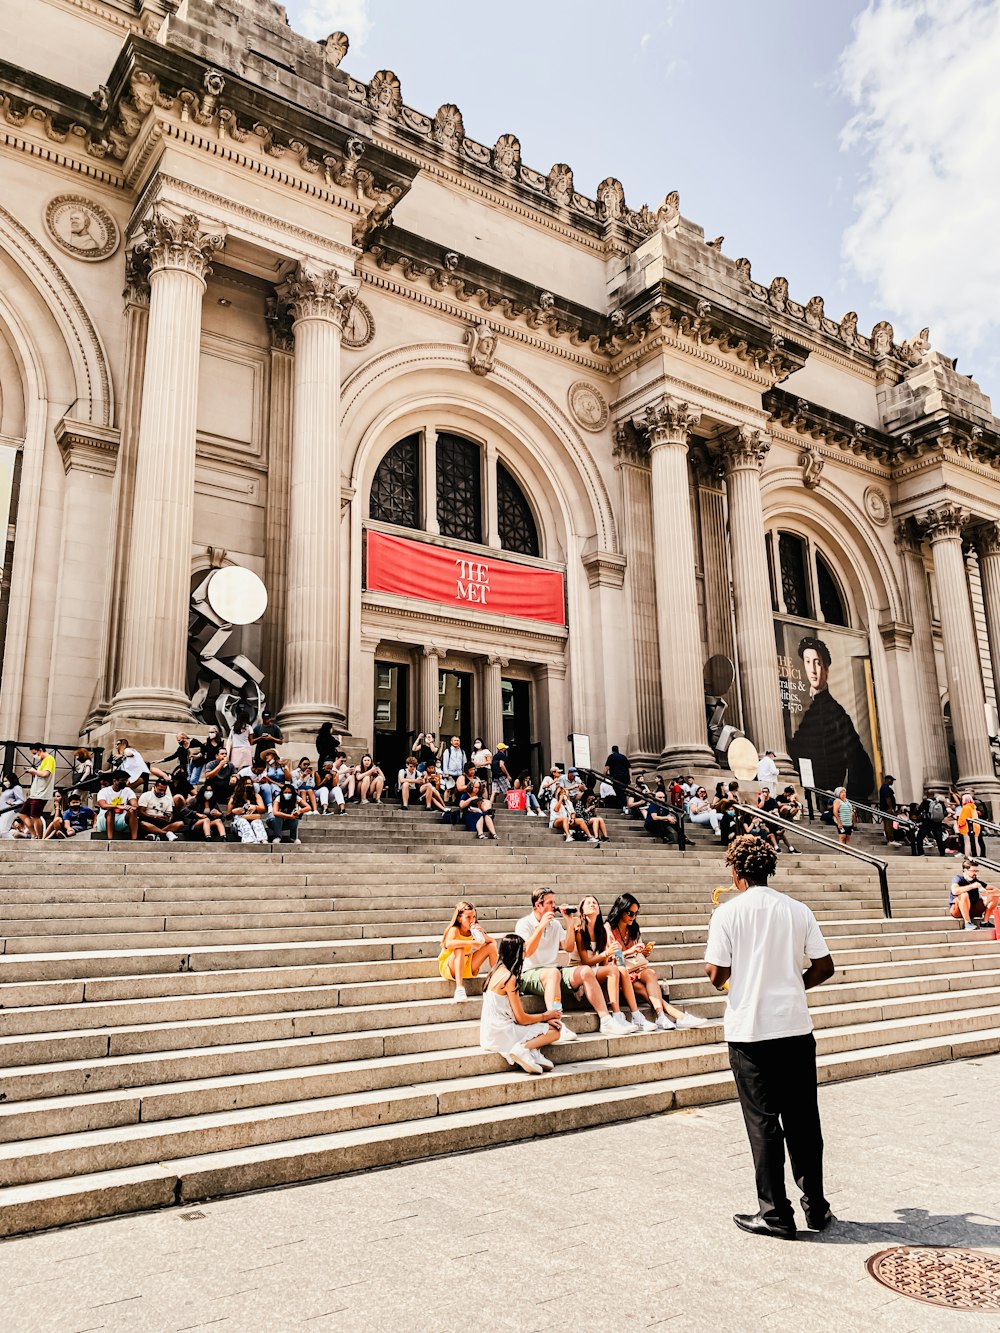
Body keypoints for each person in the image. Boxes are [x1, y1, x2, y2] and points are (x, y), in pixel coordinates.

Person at [704, 834, 836, 1240]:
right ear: (770, 869)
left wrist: (745, 978)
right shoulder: (798, 910)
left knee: (763, 1123)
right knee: (803, 1121)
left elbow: (715, 975)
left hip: (750, 1032)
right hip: (794, 1027)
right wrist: (792, 983)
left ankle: (776, 1214)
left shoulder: (727, 914)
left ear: (736, 871)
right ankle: (816, 1207)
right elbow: (825, 966)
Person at [515, 887, 626, 1039]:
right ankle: (557, 1024)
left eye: (554, 902)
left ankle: (606, 1020)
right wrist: (540, 927)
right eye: (550, 902)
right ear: (538, 905)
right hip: (529, 974)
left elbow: (568, 947)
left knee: (585, 970)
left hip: (553, 972)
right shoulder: (524, 923)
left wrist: (568, 923)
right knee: (553, 973)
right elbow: (526, 952)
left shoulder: (554, 924)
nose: (554, 906)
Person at [789, 636, 875, 802]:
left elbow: (860, 761)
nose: (813, 669)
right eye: (808, 662)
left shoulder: (835, 714)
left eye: (818, 662)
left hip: (826, 795)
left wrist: (849, 795)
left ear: (826, 668)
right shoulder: (813, 708)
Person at [607, 894, 706, 1029]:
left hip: (636, 969)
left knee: (651, 973)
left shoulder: (633, 928)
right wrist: (629, 952)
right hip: (620, 974)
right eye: (630, 913)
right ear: (620, 910)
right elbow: (610, 958)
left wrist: (643, 952)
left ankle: (662, 1016)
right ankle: (675, 1016)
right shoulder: (609, 929)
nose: (633, 917)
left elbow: (638, 958)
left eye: (636, 913)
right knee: (641, 989)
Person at [480, 933, 562, 1074]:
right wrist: (546, 1016)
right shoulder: (509, 978)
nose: (525, 955)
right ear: (515, 953)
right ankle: (524, 1049)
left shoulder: (494, 972)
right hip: (502, 1033)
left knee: (544, 1027)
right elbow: (521, 1019)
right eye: (523, 951)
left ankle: (533, 1052)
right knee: (555, 1032)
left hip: (489, 1033)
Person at [573, 896, 653, 1032]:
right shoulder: (580, 930)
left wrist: (611, 958)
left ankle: (635, 1015)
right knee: (614, 970)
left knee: (620, 969)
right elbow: (585, 961)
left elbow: (604, 963)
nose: (593, 905)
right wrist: (608, 954)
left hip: (596, 970)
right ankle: (616, 1015)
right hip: (580, 970)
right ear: (582, 910)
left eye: (595, 903)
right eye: (589, 903)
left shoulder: (601, 931)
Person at [438, 900, 498, 1000]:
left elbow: (493, 943)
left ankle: (497, 982)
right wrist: (471, 943)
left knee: (491, 947)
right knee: (459, 949)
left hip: (466, 965)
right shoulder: (454, 930)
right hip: (451, 967)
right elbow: (448, 943)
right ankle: (459, 989)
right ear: (459, 918)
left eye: (474, 917)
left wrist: (482, 935)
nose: (472, 920)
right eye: (468, 917)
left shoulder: (473, 930)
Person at [948, 859, 998, 930]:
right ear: (965, 871)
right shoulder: (958, 878)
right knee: (964, 895)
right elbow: (955, 891)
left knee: (994, 896)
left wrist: (988, 893)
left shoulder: (976, 881)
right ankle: (967, 923)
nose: (975, 873)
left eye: (976, 871)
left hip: (973, 908)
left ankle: (985, 922)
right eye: (973, 871)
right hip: (957, 910)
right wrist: (971, 886)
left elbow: (997, 891)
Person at [22, 741, 57, 839]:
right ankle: (34, 834)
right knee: (23, 813)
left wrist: (34, 771)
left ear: (40, 750)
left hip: (41, 794)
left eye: (34, 753)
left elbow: (46, 774)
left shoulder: (49, 759)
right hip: (35, 793)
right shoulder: (44, 761)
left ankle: (39, 837)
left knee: (35, 816)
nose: (34, 756)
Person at [95, 771, 138, 841]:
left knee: (133, 811)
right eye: (123, 780)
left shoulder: (128, 790)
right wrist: (117, 806)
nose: (126, 782)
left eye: (126, 780)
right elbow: (103, 805)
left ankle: (134, 840)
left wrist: (132, 807)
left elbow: (134, 804)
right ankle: (110, 840)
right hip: (104, 821)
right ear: (115, 781)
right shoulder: (103, 791)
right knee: (110, 811)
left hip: (120, 820)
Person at [227, 775, 269, 844]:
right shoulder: (235, 797)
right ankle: (250, 841)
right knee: (243, 821)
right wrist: (234, 812)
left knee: (257, 822)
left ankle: (262, 840)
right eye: (246, 784)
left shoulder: (256, 796)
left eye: (250, 784)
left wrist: (255, 807)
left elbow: (263, 810)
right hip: (238, 822)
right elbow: (228, 816)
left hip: (253, 818)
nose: (248, 786)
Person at [914, 792, 947, 857]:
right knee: (939, 839)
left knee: (920, 837)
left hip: (927, 823)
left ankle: (921, 853)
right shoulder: (940, 803)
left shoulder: (925, 802)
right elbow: (945, 813)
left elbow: (919, 811)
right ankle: (942, 853)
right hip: (937, 823)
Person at [956, 792, 986, 859]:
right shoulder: (973, 807)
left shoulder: (966, 807)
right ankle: (978, 856)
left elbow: (963, 819)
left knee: (967, 842)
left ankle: (967, 855)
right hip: (976, 826)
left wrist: (959, 824)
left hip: (967, 827)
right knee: (976, 841)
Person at [0, 770, 26, 839]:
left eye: (6, 781)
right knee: (1, 832)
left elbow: (21, 800)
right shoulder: (7, 790)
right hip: (3, 812)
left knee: (3, 831)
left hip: (10, 811)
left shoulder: (17, 787)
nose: (4, 783)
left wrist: (13, 803)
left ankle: (15, 845)